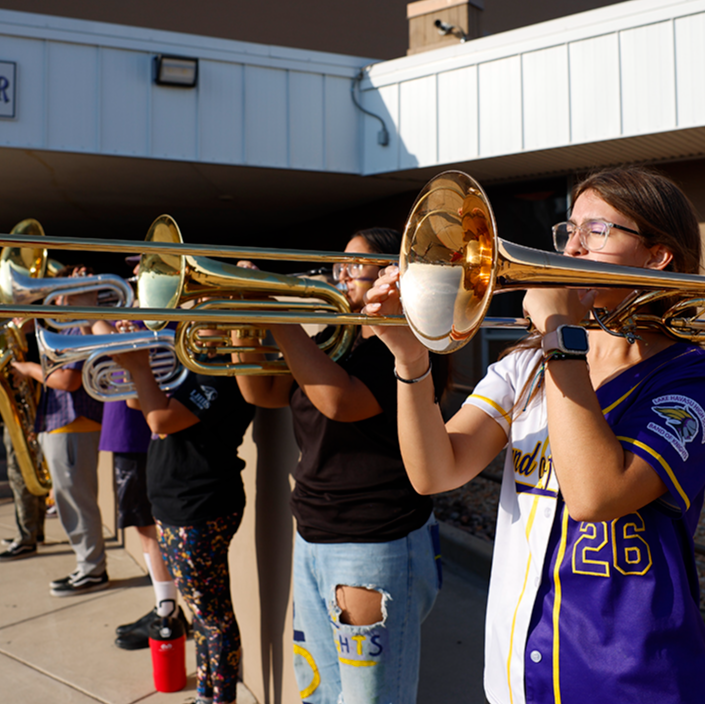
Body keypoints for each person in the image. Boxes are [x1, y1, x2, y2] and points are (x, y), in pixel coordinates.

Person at [364, 166, 705, 704]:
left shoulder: (689, 376)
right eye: (569, 230)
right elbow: (435, 471)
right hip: (517, 676)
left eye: (596, 231)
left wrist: (559, 337)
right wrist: (410, 357)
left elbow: (597, 495)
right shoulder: (527, 366)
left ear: (657, 256)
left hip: (634, 682)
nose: (572, 247)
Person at [235, 228, 445, 704]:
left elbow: (339, 401)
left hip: (372, 540)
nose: (343, 275)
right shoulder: (335, 337)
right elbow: (262, 393)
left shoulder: (408, 345)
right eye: (340, 266)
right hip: (313, 532)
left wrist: (275, 311)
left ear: (393, 272)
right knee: (319, 692)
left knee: (370, 698)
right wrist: (242, 322)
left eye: (355, 266)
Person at [113, 327, 255, 705]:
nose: (195, 321)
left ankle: (219, 698)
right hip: (179, 506)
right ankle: (207, 695)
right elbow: (137, 406)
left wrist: (140, 365)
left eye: (208, 311)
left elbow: (161, 420)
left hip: (200, 506)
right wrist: (134, 360)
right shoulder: (195, 362)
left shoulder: (222, 371)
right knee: (202, 615)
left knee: (213, 618)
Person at [11, 265, 107, 596]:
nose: (55, 296)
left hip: (73, 423)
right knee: (70, 499)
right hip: (63, 423)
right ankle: (88, 565)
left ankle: (92, 568)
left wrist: (28, 369)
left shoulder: (80, 327)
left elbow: (68, 380)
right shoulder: (68, 329)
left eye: (61, 289)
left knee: (76, 499)